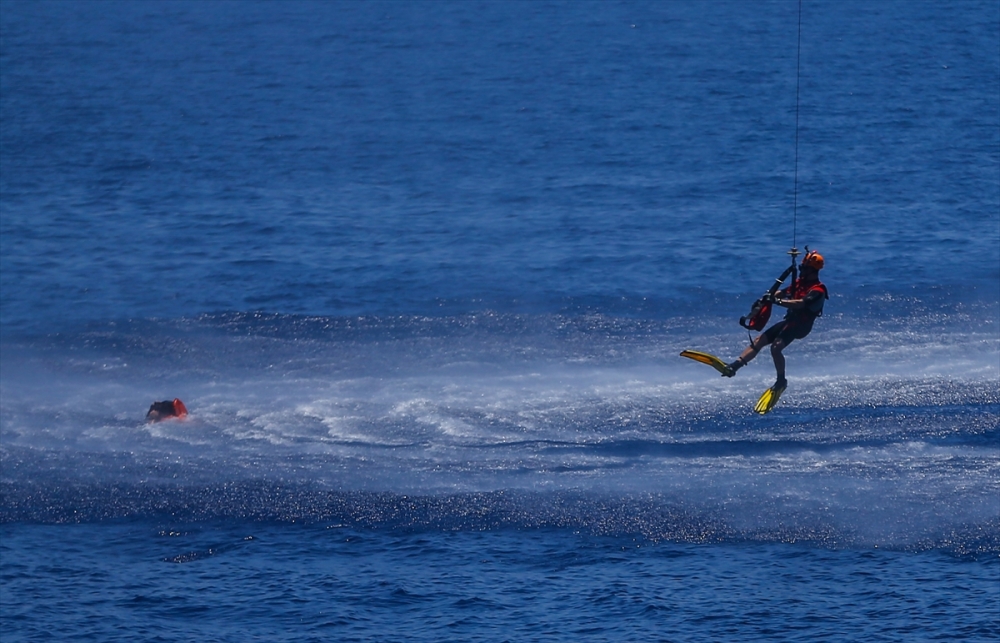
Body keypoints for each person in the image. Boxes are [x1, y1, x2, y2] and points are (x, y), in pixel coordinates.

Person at [724, 250, 828, 389]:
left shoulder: (818, 290)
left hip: (801, 326)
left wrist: (776, 301)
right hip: (790, 321)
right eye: (801, 268)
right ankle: (734, 367)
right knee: (759, 341)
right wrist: (766, 299)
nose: (801, 270)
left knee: (776, 347)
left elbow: (800, 304)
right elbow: (783, 292)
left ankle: (781, 381)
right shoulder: (800, 283)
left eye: (804, 268)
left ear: (812, 270)